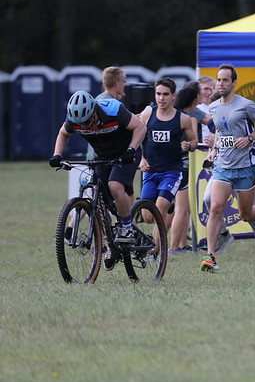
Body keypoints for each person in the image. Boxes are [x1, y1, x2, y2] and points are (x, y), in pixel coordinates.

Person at [50, 90, 147, 268]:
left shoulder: (113, 110)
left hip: (126, 153)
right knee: (98, 198)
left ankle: (127, 228)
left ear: (94, 111)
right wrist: (57, 155)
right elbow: (63, 133)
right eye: (81, 124)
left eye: (87, 121)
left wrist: (131, 149)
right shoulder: (74, 120)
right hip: (103, 156)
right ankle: (110, 243)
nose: (85, 126)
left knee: (115, 186)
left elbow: (140, 127)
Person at [201, 64, 255, 272]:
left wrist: (249, 138)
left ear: (234, 83)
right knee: (215, 207)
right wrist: (214, 149)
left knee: (246, 214)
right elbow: (220, 132)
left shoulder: (246, 105)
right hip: (223, 166)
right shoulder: (214, 107)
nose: (221, 83)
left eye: (225, 80)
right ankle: (211, 256)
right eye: (218, 80)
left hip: (245, 167)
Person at [138, 78, 198, 257]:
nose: (161, 98)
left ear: (173, 96)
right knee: (148, 217)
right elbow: (137, 138)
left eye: (165, 94)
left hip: (172, 172)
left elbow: (194, 140)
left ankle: (154, 252)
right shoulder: (148, 115)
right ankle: (168, 204)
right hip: (150, 171)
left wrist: (189, 145)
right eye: (158, 94)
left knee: (159, 209)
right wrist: (141, 159)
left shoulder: (183, 119)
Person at [170, 82, 204, 254]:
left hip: (173, 166)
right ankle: (174, 247)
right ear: (195, 100)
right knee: (182, 210)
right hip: (183, 167)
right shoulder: (188, 118)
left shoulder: (174, 115)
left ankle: (181, 245)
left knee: (182, 209)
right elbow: (194, 143)